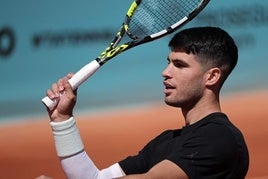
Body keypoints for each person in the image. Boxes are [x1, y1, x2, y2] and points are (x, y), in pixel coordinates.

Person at [44, 26, 249, 179]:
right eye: (168, 63)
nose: (166, 73)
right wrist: (62, 119)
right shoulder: (165, 142)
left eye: (179, 65)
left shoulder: (218, 138)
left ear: (212, 77)